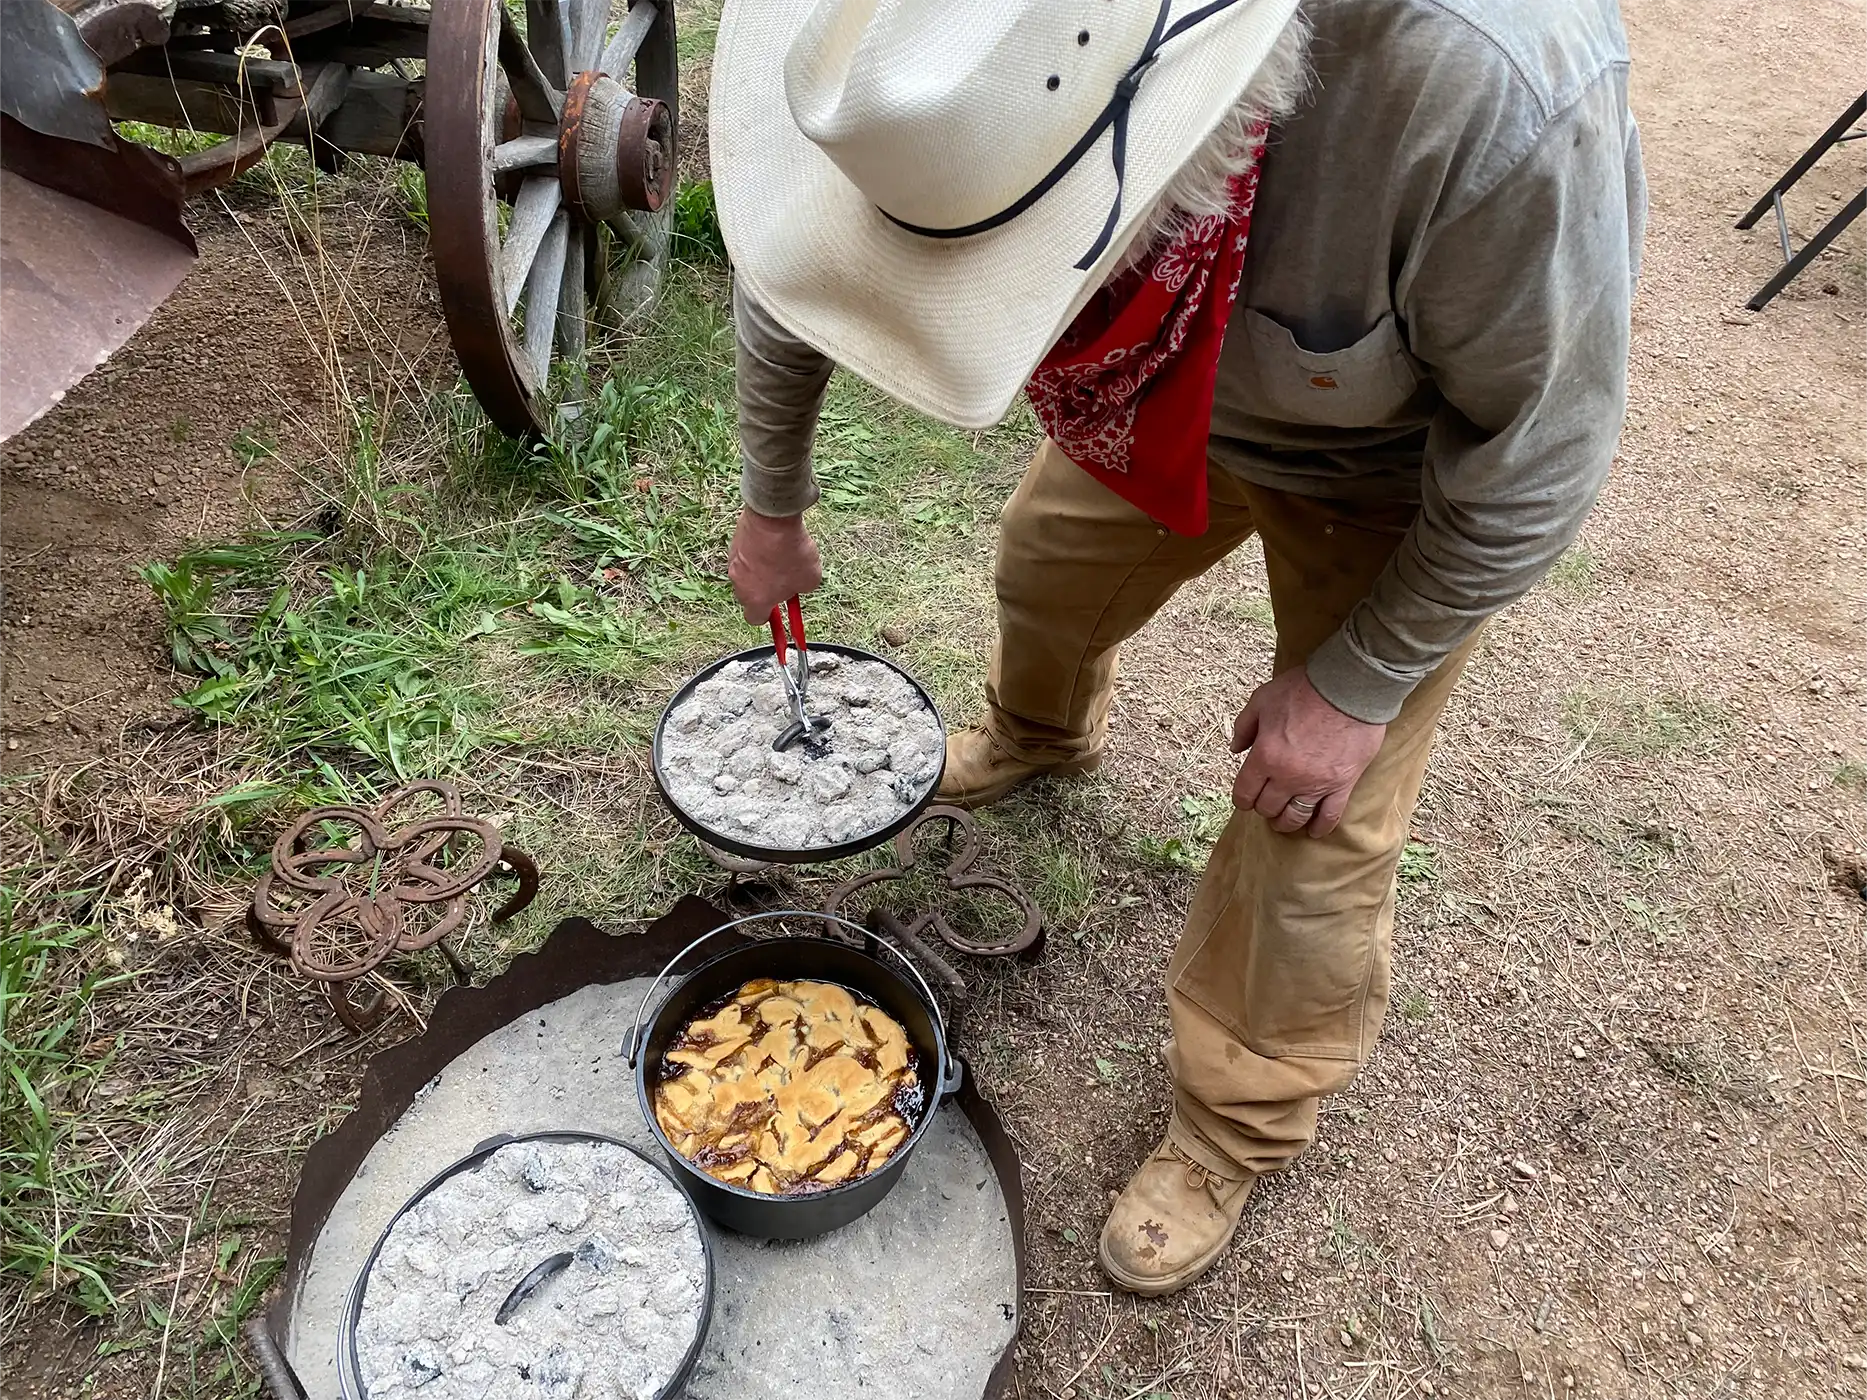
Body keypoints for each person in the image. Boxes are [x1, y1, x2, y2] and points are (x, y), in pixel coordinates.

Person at [709, 0, 1646, 1296]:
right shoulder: (933, 51)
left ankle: (1232, 1122)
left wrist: (1355, 686)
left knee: (1313, 824)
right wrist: (771, 502)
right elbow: (804, 259)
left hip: (1380, 472)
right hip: (1151, 395)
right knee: (1043, 569)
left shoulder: (1484, 86)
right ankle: (1044, 733)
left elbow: (1539, 462)